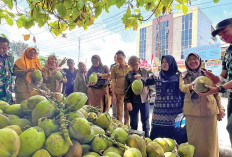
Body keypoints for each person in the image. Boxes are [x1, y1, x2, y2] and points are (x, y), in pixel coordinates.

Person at [179, 53, 224, 157]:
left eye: (195, 59)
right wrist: (191, 86)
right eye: (189, 59)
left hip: (209, 111)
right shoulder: (183, 75)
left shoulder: (208, 74)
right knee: (194, 142)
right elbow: (182, 87)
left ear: (200, 61)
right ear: (186, 62)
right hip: (192, 112)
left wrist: (221, 109)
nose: (192, 61)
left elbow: (216, 93)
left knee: (210, 142)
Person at [199, 18, 232, 145]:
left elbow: (221, 86)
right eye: (220, 35)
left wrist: (219, 89)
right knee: (230, 129)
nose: (222, 37)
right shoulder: (228, 52)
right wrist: (214, 78)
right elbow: (223, 78)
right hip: (231, 96)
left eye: (224, 31)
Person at [149, 55, 184, 140]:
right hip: (159, 114)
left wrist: (184, 108)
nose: (164, 64)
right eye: (162, 62)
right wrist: (140, 79)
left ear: (171, 63)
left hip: (175, 113)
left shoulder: (179, 76)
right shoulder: (157, 75)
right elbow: (146, 81)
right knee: (157, 139)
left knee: (175, 138)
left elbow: (183, 92)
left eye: (166, 62)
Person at [124, 56, 153, 137]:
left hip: (144, 100)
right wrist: (128, 102)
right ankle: (133, 138)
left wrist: (150, 95)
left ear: (139, 62)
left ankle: (147, 138)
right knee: (133, 121)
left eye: (136, 64)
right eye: (132, 65)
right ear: (130, 66)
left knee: (145, 121)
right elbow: (126, 89)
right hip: (133, 101)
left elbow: (150, 84)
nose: (134, 66)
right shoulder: (128, 75)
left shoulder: (145, 72)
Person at [111, 50, 131, 125]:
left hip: (128, 94)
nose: (119, 60)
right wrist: (113, 95)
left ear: (124, 57)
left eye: (120, 58)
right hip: (118, 93)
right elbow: (113, 82)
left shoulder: (129, 68)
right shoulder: (114, 68)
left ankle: (126, 128)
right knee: (119, 113)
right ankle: (119, 128)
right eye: (117, 59)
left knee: (127, 113)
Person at [0, 37, 14, 103]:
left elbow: (11, 72)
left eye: (4, 48)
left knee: (7, 111)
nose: (1, 50)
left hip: (7, 90)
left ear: (8, 48)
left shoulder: (10, 57)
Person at [110, 54, 118, 118]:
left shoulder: (125, 66)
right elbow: (111, 79)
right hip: (114, 89)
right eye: (115, 57)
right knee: (114, 108)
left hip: (122, 91)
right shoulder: (112, 67)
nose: (117, 59)